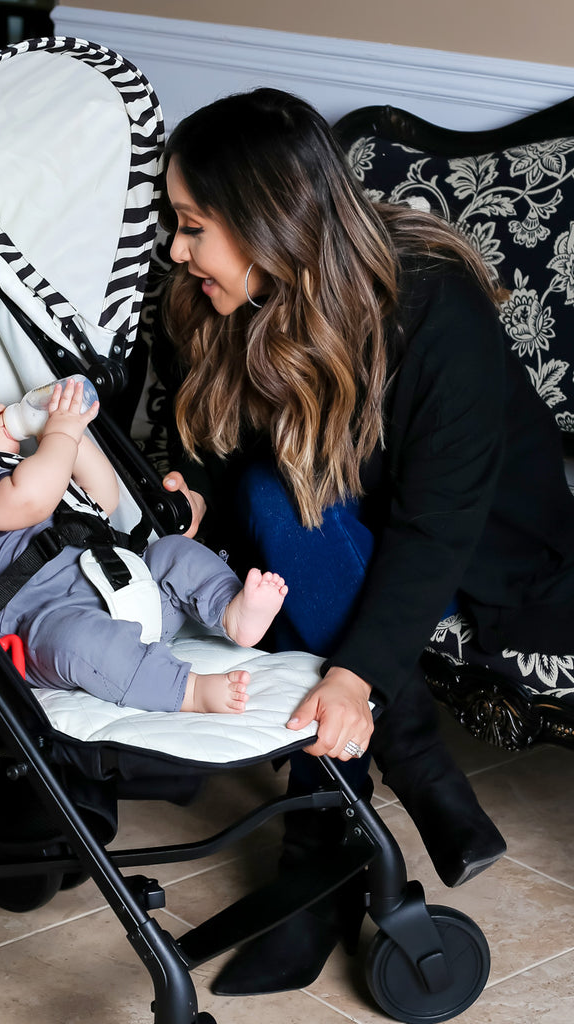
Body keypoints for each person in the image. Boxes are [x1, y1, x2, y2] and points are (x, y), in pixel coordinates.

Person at [153, 87, 574, 994]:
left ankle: (323, 856)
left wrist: (355, 677)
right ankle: (385, 803)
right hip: (334, 530)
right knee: (272, 504)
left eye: (192, 226)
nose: (177, 250)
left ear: (267, 221)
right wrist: (194, 500)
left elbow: (439, 523)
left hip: (476, 546)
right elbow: (246, 464)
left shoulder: (432, 306)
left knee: (291, 522)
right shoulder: (230, 299)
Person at [0, 357, 288, 714]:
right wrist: (60, 436)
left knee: (172, 551)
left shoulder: (30, 464)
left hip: (127, 589)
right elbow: (29, 500)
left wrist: (73, 432)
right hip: (47, 617)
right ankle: (187, 689)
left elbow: (103, 499)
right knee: (78, 643)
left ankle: (230, 610)